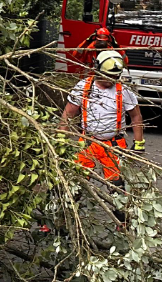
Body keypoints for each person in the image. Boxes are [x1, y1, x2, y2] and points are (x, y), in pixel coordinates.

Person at [58, 48, 145, 182]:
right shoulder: (84, 87)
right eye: (108, 75)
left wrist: (139, 142)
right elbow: (68, 113)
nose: (112, 79)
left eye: (115, 76)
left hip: (114, 145)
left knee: (117, 184)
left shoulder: (123, 91)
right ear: (98, 70)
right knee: (76, 180)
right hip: (88, 142)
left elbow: (136, 116)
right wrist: (60, 139)